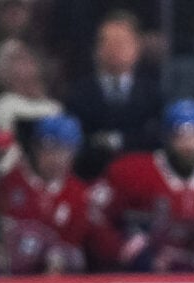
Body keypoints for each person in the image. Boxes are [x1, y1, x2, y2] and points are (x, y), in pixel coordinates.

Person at [91, 99, 194, 272]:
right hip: (134, 282)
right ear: (166, 137)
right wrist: (124, 250)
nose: (190, 144)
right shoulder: (130, 172)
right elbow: (94, 218)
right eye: (181, 135)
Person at [0, 114, 95, 275]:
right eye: (49, 149)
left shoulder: (78, 193)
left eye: (65, 151)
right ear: (35, 149)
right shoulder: (7, 180)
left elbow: (77, 242)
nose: (56, 158)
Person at [63, 11, 161, 177]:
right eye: (107, 42)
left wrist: (120, 141)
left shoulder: (153, 94)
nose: (114, 50)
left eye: (121, 42)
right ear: (96, 49)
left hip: (141, 179)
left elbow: (157, 137)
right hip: (91, 178)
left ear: (137, 48)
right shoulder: (78, 94)